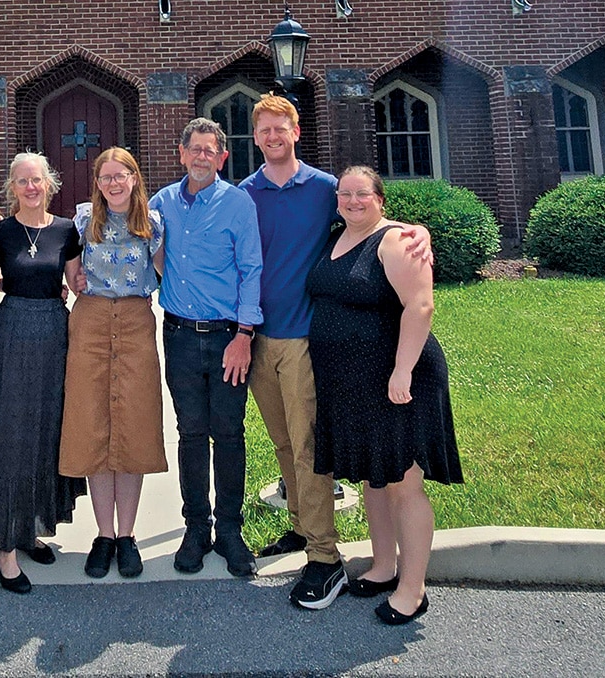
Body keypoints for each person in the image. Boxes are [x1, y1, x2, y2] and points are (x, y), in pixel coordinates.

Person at [239, 94, 431, 610]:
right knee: (283, 446)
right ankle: (303, 529)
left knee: (308, 449)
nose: (273, 137)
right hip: (258, 338)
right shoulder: (244, 193)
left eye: (282, 129)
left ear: (296, 132)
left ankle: (325, 560)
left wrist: (421, 231)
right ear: (255, 137)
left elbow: (372, 219)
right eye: (264, 131)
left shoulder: (326, 189)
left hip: (305, 339)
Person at [306, 166, 463, 625]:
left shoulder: (396, 241)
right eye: (345, 194)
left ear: (381, 199)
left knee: (403, 482)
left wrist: (402, 370)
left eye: (362, 194)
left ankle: (412, 591)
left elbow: (421, 304)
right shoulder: (337, 236)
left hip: (396, 379)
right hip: (351, 382)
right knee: (374, 477)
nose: (353, 201)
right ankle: (383, 566)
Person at [150, 118, 263, 578]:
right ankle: (196, 527)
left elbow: (252, 269)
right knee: (191, 433)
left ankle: (230, 530)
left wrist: (244, 335)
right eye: (193, 149)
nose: (200, 157)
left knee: (229, 432)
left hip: (226, 338)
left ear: (222, 157)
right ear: (181, 153)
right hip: (177, 334)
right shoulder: (161, 204)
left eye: (209, 151)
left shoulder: (238, 204)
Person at [0, 152, 86, 593]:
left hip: (55, 332)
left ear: (50, 183)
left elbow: (78, 281)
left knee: (46, 431)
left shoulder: (66, 230)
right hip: (13, 331)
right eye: (22, 181)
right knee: (12, 433)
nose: (30, 187)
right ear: (12, 187)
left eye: (36, 179)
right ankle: (4, 547)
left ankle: (30, 527)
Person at [60, 147, 168, 579]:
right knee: (93, 423)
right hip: (91, 322)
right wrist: (75, 280)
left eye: (120, 175)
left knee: (133, 425)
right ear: (98, 183)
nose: (113, 183)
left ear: (134, 178)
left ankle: (128, 536)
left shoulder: (153, 224)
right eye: (105, 177)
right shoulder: (84, 220)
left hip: (137, 320)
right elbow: (71, 273)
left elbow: (164, 272)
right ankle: (103, 535)